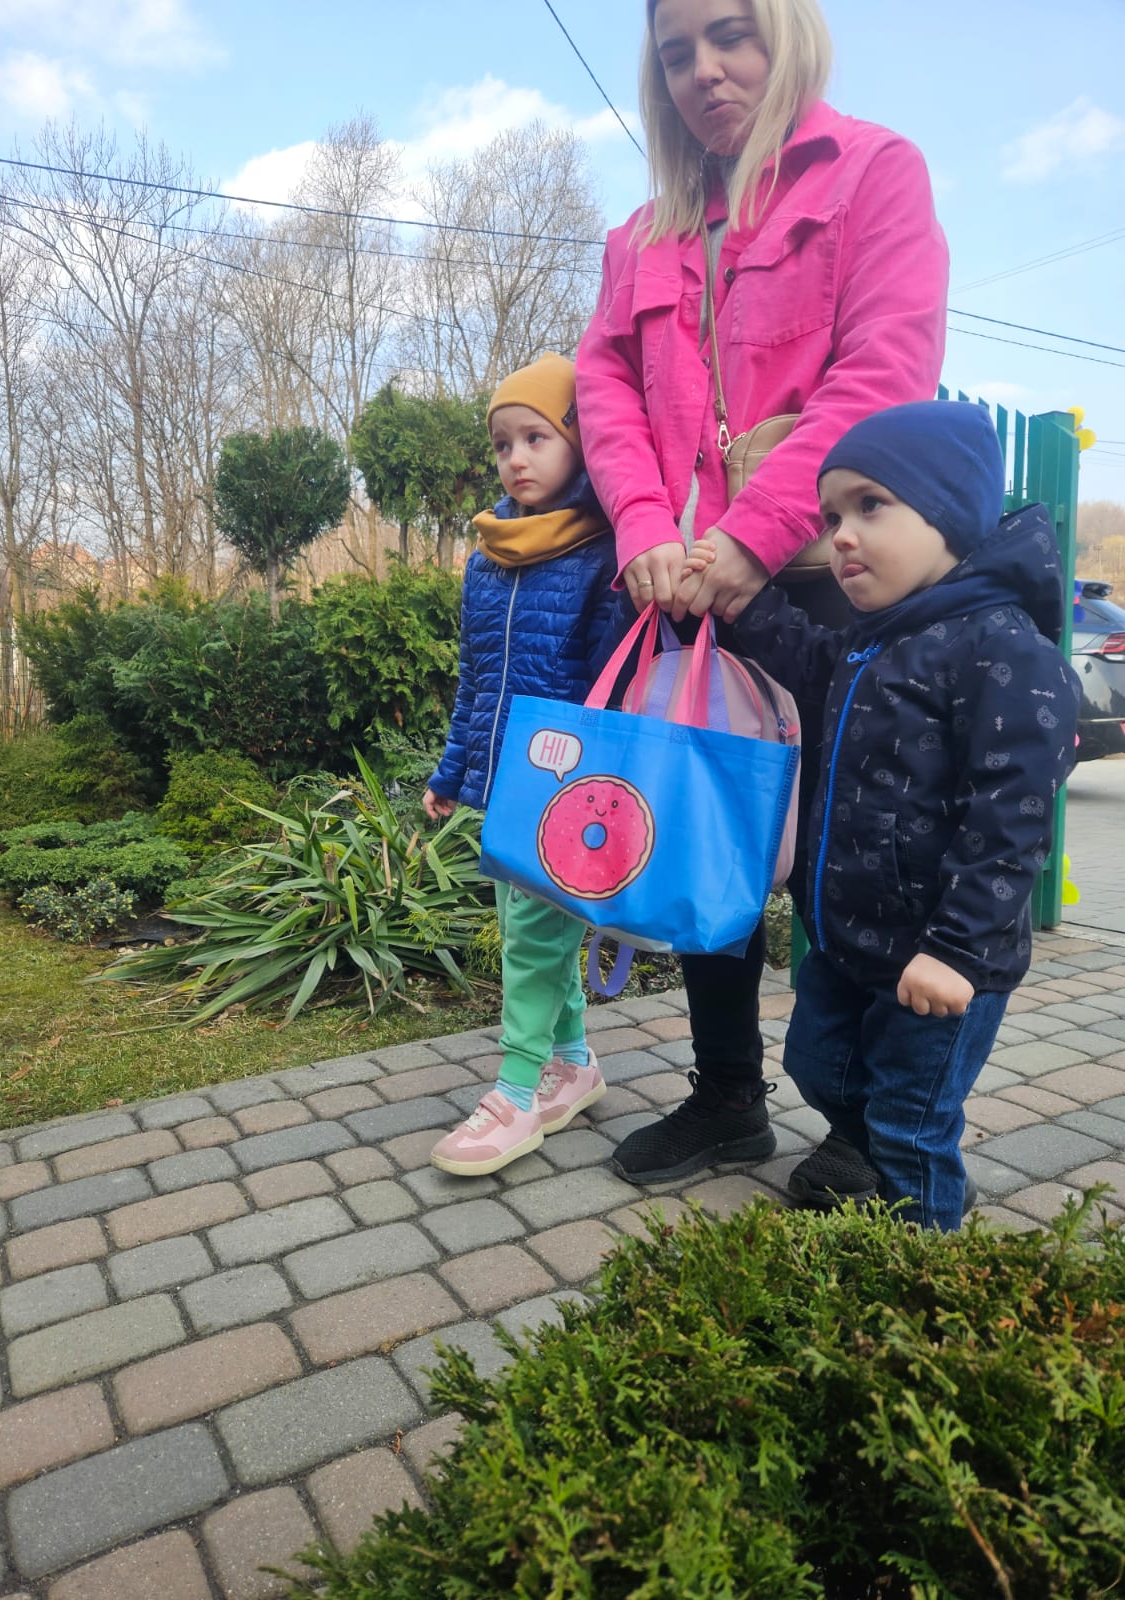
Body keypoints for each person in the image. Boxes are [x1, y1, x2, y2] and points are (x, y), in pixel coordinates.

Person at [574, 0, 949, 1189]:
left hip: (829, 582)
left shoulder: (874, 173)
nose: (705, 70)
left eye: (731, 34)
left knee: (863, 856)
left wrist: (753, 531)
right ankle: (728, 1097)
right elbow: (604, 386)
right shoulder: (640, 237)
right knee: (702, 830)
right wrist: (645, 524)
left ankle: (870, 1125)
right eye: (676, 51)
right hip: (686, 587)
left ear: (787, 31)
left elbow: (885, 368)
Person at [680, 400, 1080, 1228]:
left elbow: (1012, 818)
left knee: (909, 1122)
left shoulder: (1004, 649)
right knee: (817, 1065)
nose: (841, 537)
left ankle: (919, 1263)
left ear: (951, 515)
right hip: (847, 942)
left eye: (871, 506)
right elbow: (804, 656)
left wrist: (958, 950)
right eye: (832, 517)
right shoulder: (874, 638)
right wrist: (741, 602)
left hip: (940, 957)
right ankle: (909, 1179)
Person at [425, 353, 616, 1176]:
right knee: (525, 930)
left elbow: (614, 689)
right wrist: (450, 773)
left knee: (534, 941)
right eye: (503, 443)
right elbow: (475, 680)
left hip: (568, 792)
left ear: (581, 441)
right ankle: (572, 1064)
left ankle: (514, 1093)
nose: (516, 458)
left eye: (537, 437)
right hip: (502, 786)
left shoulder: (605, 554)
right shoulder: (488, 557)